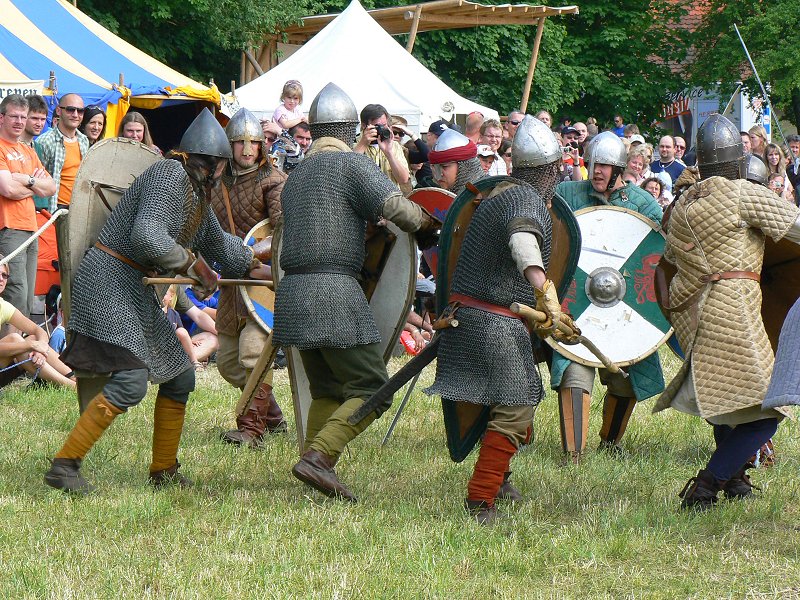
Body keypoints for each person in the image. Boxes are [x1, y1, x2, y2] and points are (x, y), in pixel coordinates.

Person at [44, 108, 273, 494]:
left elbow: (217, 244)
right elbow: (146, 237)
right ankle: (65, 465)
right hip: (107, 281)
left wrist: (255, 261)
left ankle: (163, 469)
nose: (217, 172)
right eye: (214, 164)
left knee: (180, 375)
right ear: (207, 161)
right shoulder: (170, 175)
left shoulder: (197, 193)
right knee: (132, 381)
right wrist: (193, 265)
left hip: (133, 287)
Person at [273, 82, 439, 502]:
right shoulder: (350, 165)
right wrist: (427, 224)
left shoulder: (296, 176)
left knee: (328, 389)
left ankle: (312, 467)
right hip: (334, 291)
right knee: (371, 387)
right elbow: (394, 208)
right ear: (350, 128)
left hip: (293, 294)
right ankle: (320, 458)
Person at [653, 113, 800, 510]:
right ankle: (707, 483)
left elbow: (667, 261)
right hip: (732, 308)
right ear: (739, 159)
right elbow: (796, 228)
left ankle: (734, 479)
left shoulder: (684, 201)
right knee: (770, 409)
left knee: (725, 403)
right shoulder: (741, 193)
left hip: (693, 313)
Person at [426, 115, 565, 524]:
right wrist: (544, 291)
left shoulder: (499, 194)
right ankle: (480, 498)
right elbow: (523, 244)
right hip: (493, 323)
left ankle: (499, 482)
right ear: (551, 170)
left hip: (472, 317)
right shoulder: (523, 201)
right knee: (517, 406)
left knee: (500, 406)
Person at [552, 132, 664, 462]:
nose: (596, 172)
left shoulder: (643, 205)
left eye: (603, 166)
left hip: (624, 305)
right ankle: (573, 455)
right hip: (576, 303)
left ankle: (611, 442)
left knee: (625, 379)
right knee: (573, 374)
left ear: (619, 170)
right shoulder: (569, 194)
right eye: (592, 165)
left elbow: (654, 254)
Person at [208, 107, 289, 447]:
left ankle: (250, 429)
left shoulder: (273, 181)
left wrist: (251, 254)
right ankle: (273, 416)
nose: (246, 149)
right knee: (228, 363)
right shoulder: (216, 184)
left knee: (252, 355)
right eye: (239, 142)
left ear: (262, 145)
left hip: (260, 283)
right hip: (230, 284)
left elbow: (284, 231)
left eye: (253, 143)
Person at [0, 95, 56, 323]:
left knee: (27, 294)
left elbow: (51, 187)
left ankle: (19, 348)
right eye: (14, 116)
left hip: (31, 228)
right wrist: (34, 184)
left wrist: (26, 180)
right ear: (1, 117)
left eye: (23, 117)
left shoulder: (28, 150)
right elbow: (8, 190)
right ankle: (10, 352)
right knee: (16, 293)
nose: (19, 121)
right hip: (9, 226)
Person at [0, 257, 74, 388]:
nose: (1, 279)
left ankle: (75, 377)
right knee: (16, 340)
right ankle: (71, 386)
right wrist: (31, 346)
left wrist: (40, 347)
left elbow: (38, 331)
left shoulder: (3, 306)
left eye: (4, 275)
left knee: (32, 338)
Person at [35, 93, 90, 212]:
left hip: (79, 209)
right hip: (54, 208)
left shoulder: (84, 140)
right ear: (59, 111)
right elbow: (37, 182)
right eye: (70, 109)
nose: (75, 115)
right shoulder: (45, 141)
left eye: (80, 111)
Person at [354, 104, 410, 189]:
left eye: (384, 125)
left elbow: (404, 180)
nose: (382, 129)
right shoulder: (353, 143)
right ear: (364, 125)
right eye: (377, 126)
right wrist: (363, 144)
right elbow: (346, 173)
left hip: (389, 199)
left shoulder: (394, 145)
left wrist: (389, 153)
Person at [428, 128, 484, 195]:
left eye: (444, 166)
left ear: (465, 166)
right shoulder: (430, 193)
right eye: (435, 167)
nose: (439, 174)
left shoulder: (490, 195)